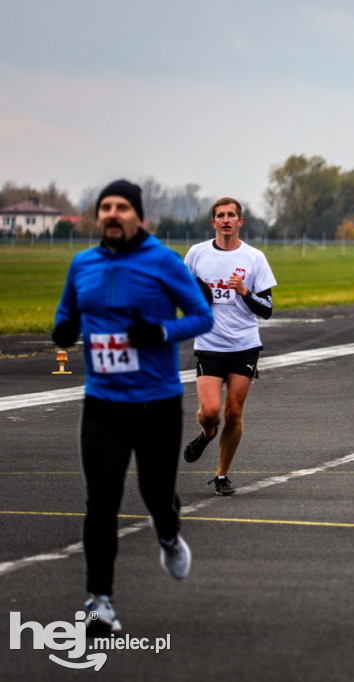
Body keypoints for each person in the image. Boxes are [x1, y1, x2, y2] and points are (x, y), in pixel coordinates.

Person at [52, 179, 214, 635]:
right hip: (102, 403)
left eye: (122, 207)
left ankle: (167, 531)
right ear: (98, 215)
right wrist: (64, 331)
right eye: (105, 207)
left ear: (138, 216)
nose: (112, 214)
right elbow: (67, 316)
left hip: (156, 404)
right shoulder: (82, 263)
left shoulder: (162, 261)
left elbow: (203, 316)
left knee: (156, 494)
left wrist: (160, 332)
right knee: (101, 500)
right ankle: (98, 602)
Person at [182, 197, 277, 496]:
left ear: (240, 222)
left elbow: (267, 309)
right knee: (211, 412)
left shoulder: (254, 258)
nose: (226, 220)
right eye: (220, 215)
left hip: (244, 345)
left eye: (231, 215)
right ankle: (207, 433)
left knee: (233, 413)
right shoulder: (197, 254)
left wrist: (244, 291)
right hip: (209, 342)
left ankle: (222, 474)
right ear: (213, 222)